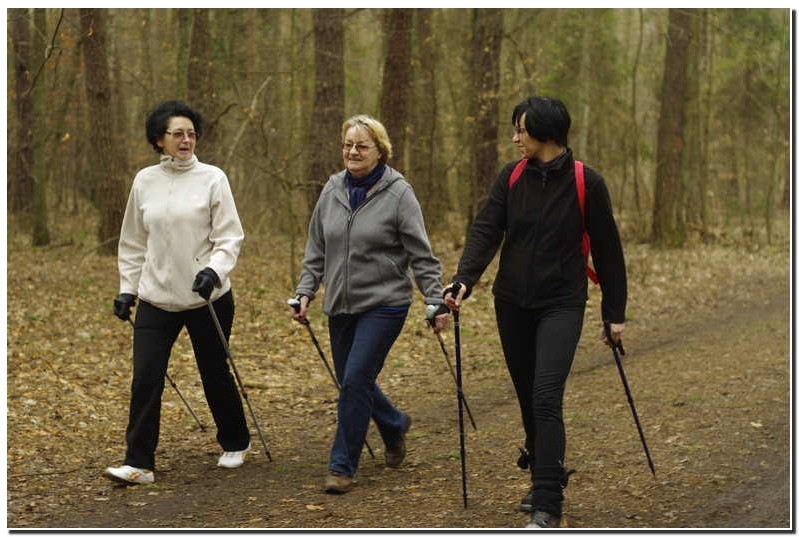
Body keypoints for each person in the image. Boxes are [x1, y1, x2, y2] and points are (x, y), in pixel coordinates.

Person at [443, 96, 627, 528]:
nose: (515, 138)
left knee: (545, 396)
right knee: (529, 397)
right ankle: (546, 470)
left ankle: (547, 503)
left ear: (544, 133)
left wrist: (613, 312)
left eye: (521, 130)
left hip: (562, 303)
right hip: (511, 304)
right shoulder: (512, 177)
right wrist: (464, 279)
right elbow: (486, 229)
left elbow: (608, 251)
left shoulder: (587, 183)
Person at [290, 114, 449, 494]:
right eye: (348, 144)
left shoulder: (399, 193)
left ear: (380, 150)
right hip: (340, 304)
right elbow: (316, 250)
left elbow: (421, 254)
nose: (353, 152)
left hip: (385, 303)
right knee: (353, 382)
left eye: (362, 145)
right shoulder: (332, 190)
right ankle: (394, 424)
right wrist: (305, 291)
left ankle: (341, 465)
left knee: (356, 380)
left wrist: (435, 299)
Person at [106, 100, 251, 484]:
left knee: (213, 372)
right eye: (177, 134)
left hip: (207, 298)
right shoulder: (145, 181)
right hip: (156, 299)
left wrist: (213, 272)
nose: (186, 140)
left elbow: (230, 237)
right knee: (146, 376)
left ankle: (236, 442)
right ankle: (139, 464)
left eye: (191, 133)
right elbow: (132, 242)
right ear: (159, 139)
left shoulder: (213, 178)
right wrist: (127, 290)